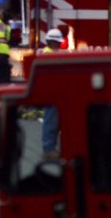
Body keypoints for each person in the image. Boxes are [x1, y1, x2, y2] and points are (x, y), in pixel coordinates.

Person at [41, 28, 63, 156]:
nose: (60, 45)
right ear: (53, 42)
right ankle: (48, 148)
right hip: (52, 93)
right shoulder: (50, 55)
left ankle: (50, 147)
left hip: (52, 92)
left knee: (53, 119)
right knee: (51, 120)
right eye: (58, 42)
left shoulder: (47, 53)